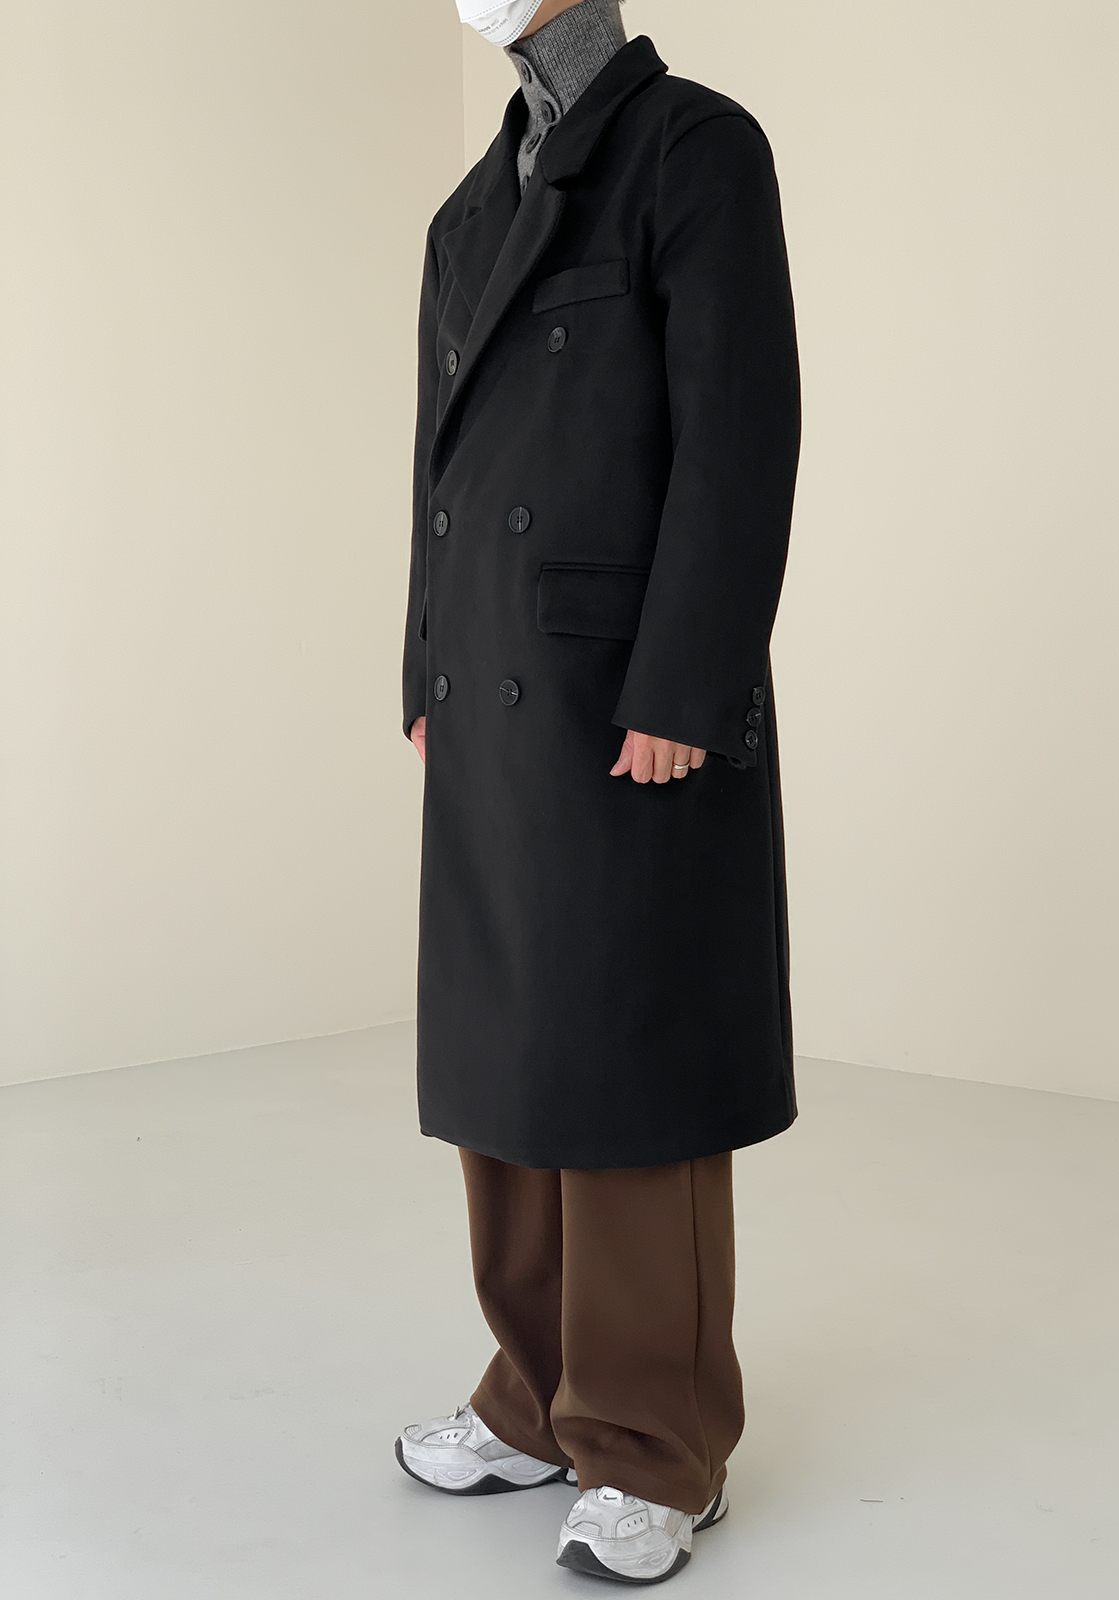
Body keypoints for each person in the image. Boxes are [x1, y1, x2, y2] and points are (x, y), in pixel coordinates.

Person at [395, 0, 801, 1583]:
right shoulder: (468, 209)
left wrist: (686, 689)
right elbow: (435, 474)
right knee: (510, 1062)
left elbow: (739, 436)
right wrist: (421, 671)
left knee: (632, 1066)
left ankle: (654, 1441)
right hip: (488, 701)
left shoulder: (696, 149)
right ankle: (537, 1396)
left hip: (625, 699)